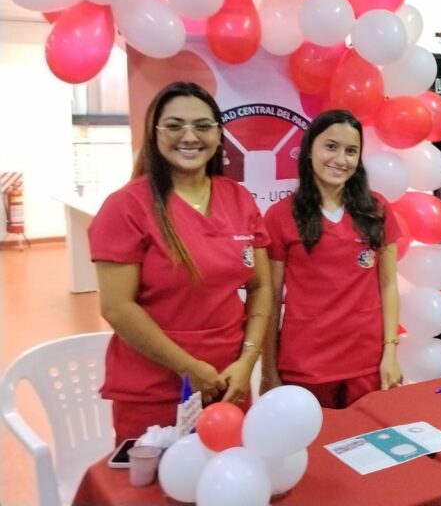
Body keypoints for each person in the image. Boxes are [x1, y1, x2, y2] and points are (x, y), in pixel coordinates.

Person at [89, 81, 272, 444]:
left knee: (230, 487)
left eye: (203, 126)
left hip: (228, 382)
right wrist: (190, 369)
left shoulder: (238, 198)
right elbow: (117, 307)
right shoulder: (126, 206)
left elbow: (261, 285)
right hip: (154, 389)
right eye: (174, 125)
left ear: (219, 135)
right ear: (154, 133)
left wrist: (248, 361)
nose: (189, 136)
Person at [260, 110, 402, 408]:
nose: (340, 159)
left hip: (367, 361)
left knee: (369, 448)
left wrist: (390, 352)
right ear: (309, 148)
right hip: (306, 364)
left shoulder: (377, 209)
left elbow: (389, 285)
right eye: (330, 146)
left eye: (351, 151)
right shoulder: (280, 216)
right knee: (313, 450)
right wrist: (269, 370)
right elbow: (270, 300)